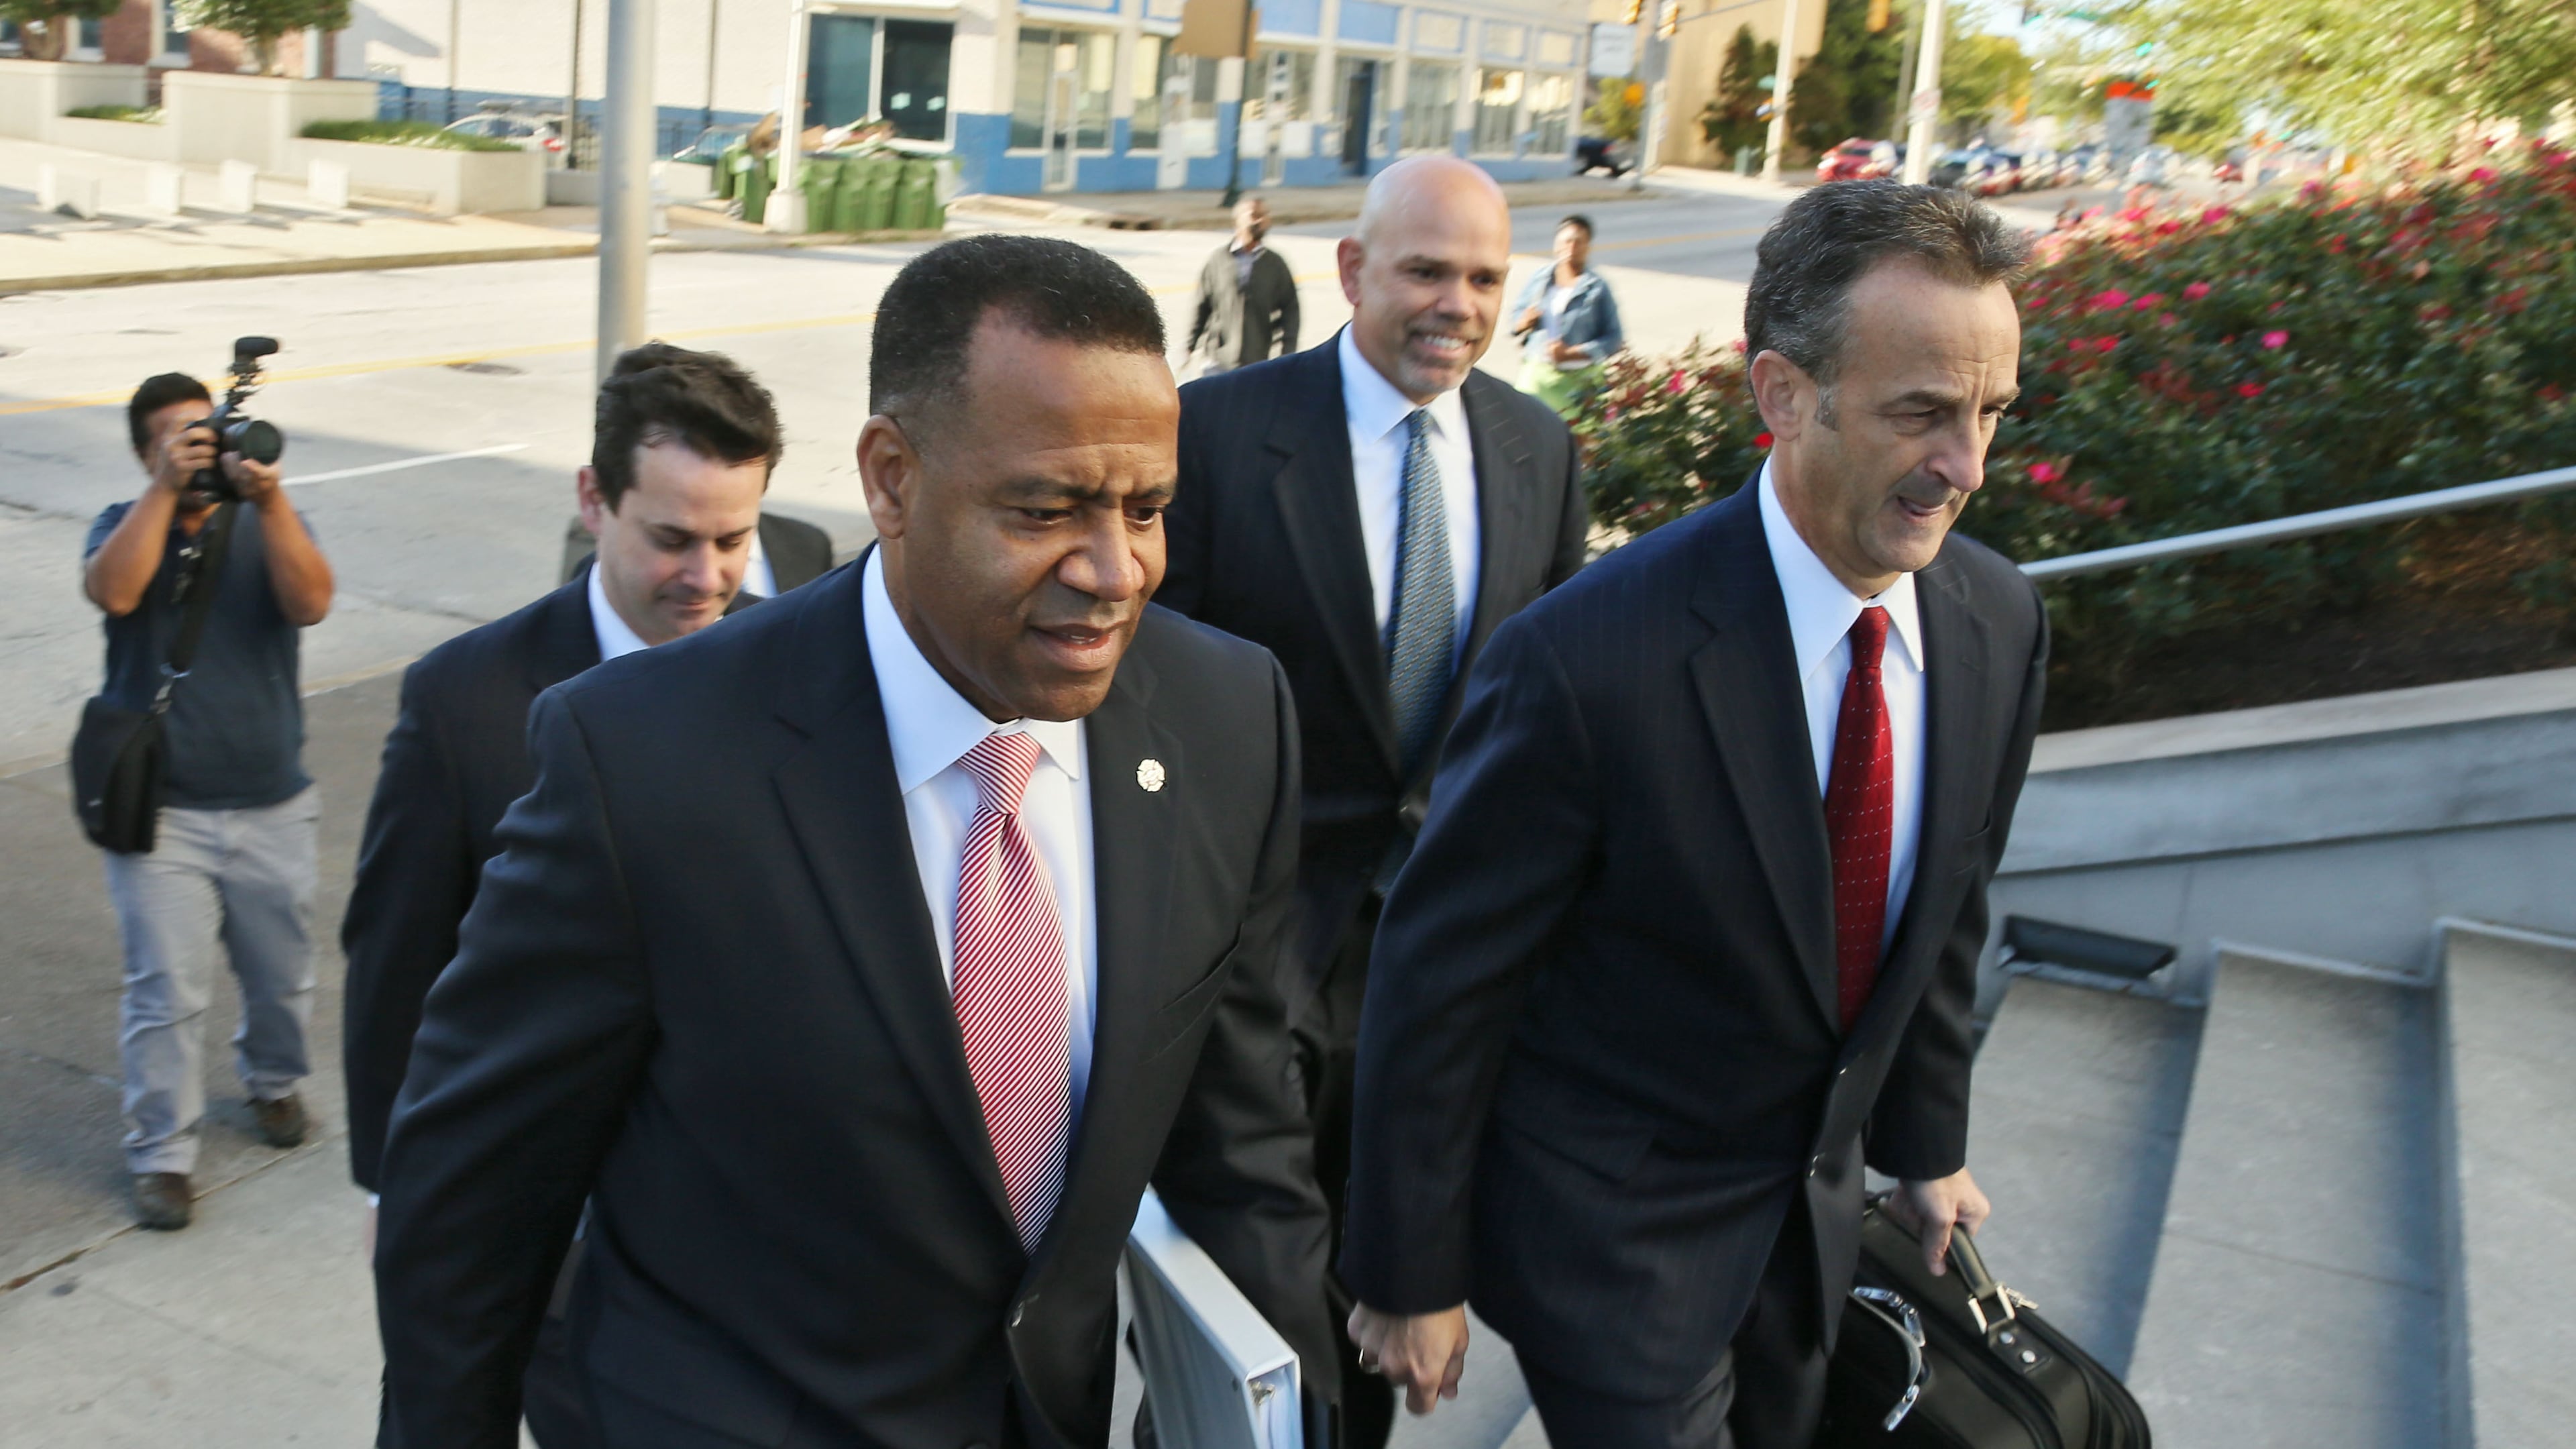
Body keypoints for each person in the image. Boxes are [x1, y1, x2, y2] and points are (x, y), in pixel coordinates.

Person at [372, 235, 1338, 1449]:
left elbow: (1245, 1155)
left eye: (1147, 509)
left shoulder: (1228, 720)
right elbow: (471, 1211)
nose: (1116, 571)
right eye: (1046, 509)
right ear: (891, 477)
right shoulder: (642, 763)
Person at [1340, 180, 2048, 1449]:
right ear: (1782, 396)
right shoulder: (1586, 658)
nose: (1968, 466)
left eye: (1992, 412)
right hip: (1613, 1245)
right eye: (1923, 414)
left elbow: (1948, 904)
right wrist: (1408, 1269)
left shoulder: (1999, 623)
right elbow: (1442, 984)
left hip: (1818, 1235)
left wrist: (1925, 1141)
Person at [1160, 153, 1591, 1449]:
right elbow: (1150, 694)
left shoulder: (1538, 450)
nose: (1455, 302)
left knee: (1382, 1306)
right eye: (1424, 270)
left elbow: (1547, 727)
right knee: (1248, 1327)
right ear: (1352, 271)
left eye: (1482, 278)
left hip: (1446, 976)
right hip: (1255, 954)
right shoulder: (1220, 434)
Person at [342, 341, 789, 1448]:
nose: (708, 577)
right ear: (595, 501)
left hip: (750, 1230)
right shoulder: (465, 704)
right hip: (549, 1229)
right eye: (672, 539)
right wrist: (388, 1190)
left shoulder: (797, 664)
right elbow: (398, 969)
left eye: (736, 540)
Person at [82, 372, 335, 1231]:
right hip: (163, 814)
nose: (200, 450)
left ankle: (273, 1083)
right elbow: (114, 593)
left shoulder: (268, 524)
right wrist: (164, 490)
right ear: (144, 452)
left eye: (208, 433)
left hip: (271, 799)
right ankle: (163, 1155)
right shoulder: (123, 526)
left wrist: (271, 500)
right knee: (166, 993)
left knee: (282, 978)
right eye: (176, 439)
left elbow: (313, 602)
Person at [1507, 213, 1624, 417]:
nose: (1571, 247)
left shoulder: (1597, 288)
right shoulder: (1540, 279)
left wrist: (1573, 352)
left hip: (1579, 382)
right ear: (1556, 245)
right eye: (1567, 241)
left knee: (1577, 442)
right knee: (1524, 429)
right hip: (1538, 377)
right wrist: (1523, 322)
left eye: (1579, 242)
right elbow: (1516, 316)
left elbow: (1614, 338)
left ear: (1588, 247)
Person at [1184, 195, 1301, 376]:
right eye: (1254, 215)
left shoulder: (1275, 265)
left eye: (1265, 215)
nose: (1261, 221)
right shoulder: (1218, 260)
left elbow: (1291, 311)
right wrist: (1189, 346)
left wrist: (1287, 353)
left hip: (1256, 363)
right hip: (1217, 361)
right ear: (1237, 220)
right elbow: (1202, 305)